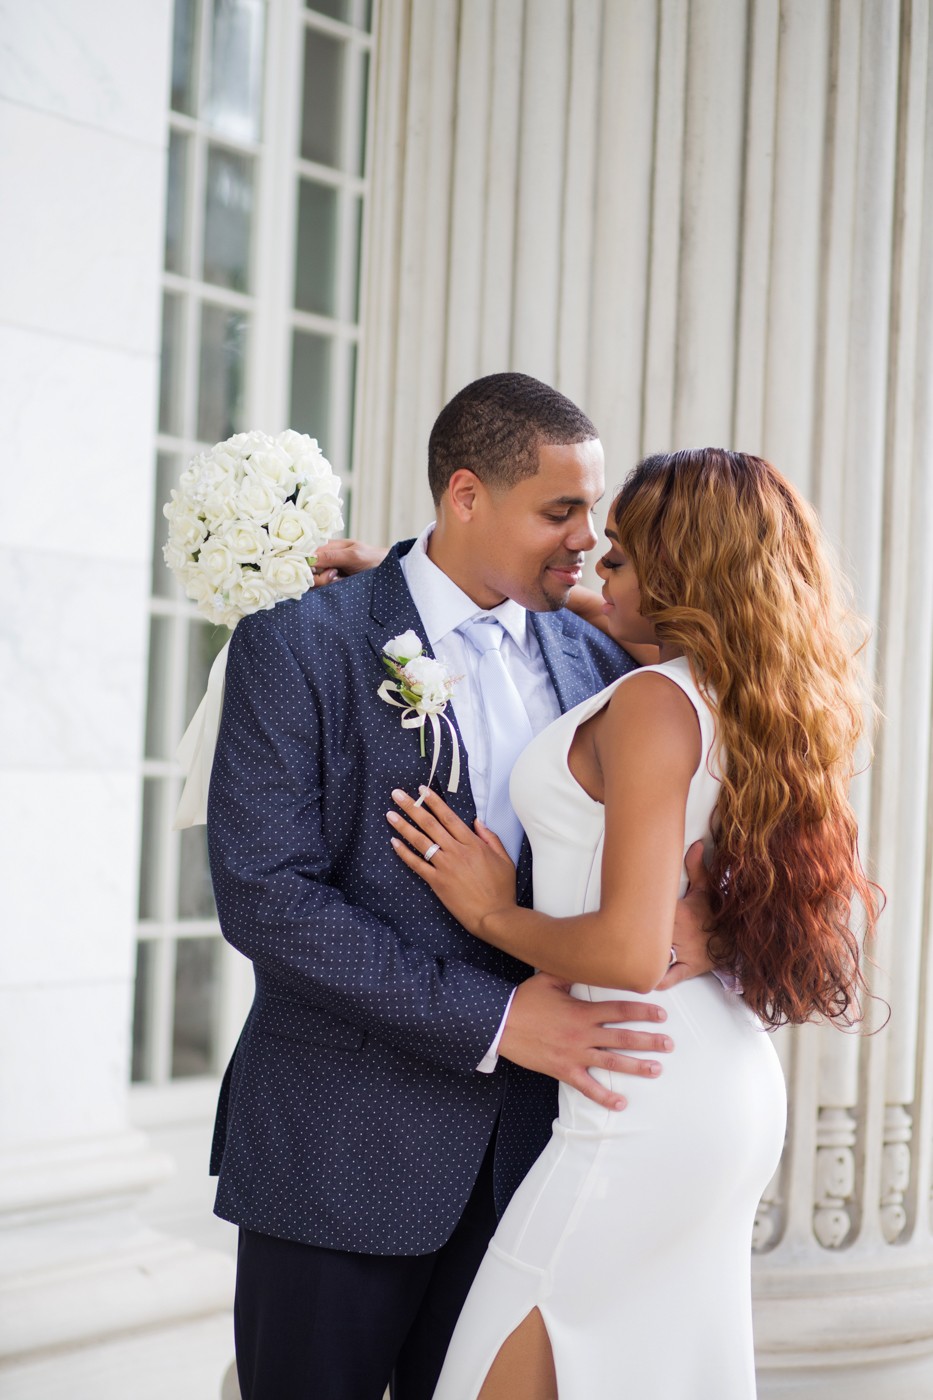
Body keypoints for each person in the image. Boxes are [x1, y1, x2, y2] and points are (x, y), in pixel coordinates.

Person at [206, 375, 714, 1400]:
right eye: (558, 511)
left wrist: (694, 928)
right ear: (466, 496)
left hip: (536, 1164)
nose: (586, 540)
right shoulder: (301, 641)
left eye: (594, 513)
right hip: (339, 1150)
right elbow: (267, 895)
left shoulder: (603, 657)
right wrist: (498, 1018)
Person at [387, 448, 876, 1400]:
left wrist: (491, 910)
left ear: (682, 573)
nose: (592, 572)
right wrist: (406, 579)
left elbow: (623, 950)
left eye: (618, 555)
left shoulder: (654, 702)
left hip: (640, 1094)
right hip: (706, 1078)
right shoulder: (744, 696)